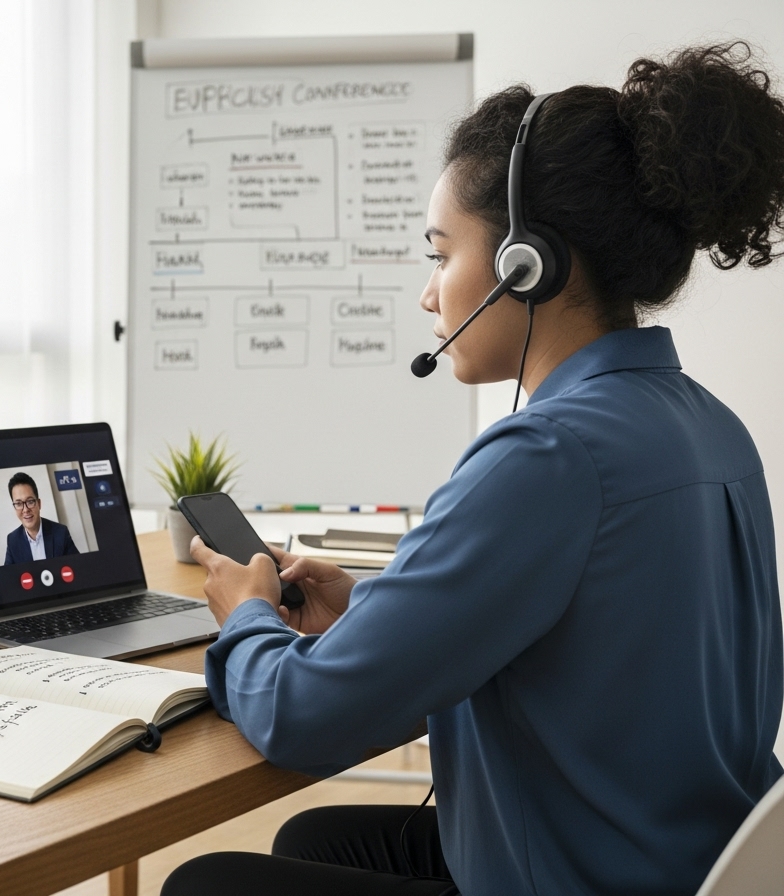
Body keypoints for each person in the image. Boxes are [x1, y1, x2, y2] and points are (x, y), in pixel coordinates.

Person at [164, 43, 784, 896]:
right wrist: (371, 613)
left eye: (440, 252)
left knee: (209, 884)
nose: (429, 294)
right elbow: (586, 645)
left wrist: (248, 617)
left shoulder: (547, 456)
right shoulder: (712, 427)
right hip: (683, 861)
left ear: (525, 265)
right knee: (318, 834)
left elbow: (303, 719)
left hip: (581, 880)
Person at [3, 472, 79, 565]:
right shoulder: (13, 540)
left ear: (39, 503)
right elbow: (9, 576)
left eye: (30, 501)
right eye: (18, 504)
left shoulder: (60, 532)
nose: (25, 509)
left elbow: (77, 566)